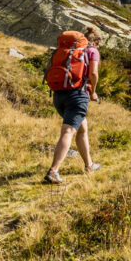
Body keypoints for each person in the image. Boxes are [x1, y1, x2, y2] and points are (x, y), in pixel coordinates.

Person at [44, 27, 103, 184]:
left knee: (82, 128)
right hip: (77, 95)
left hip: (58, 95)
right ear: (96, 41)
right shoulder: (92, 51)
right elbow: (94, 74)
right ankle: (53, 171)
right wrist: (93, 92)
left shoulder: (66, 49)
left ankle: (89, 165)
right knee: (69, 131)